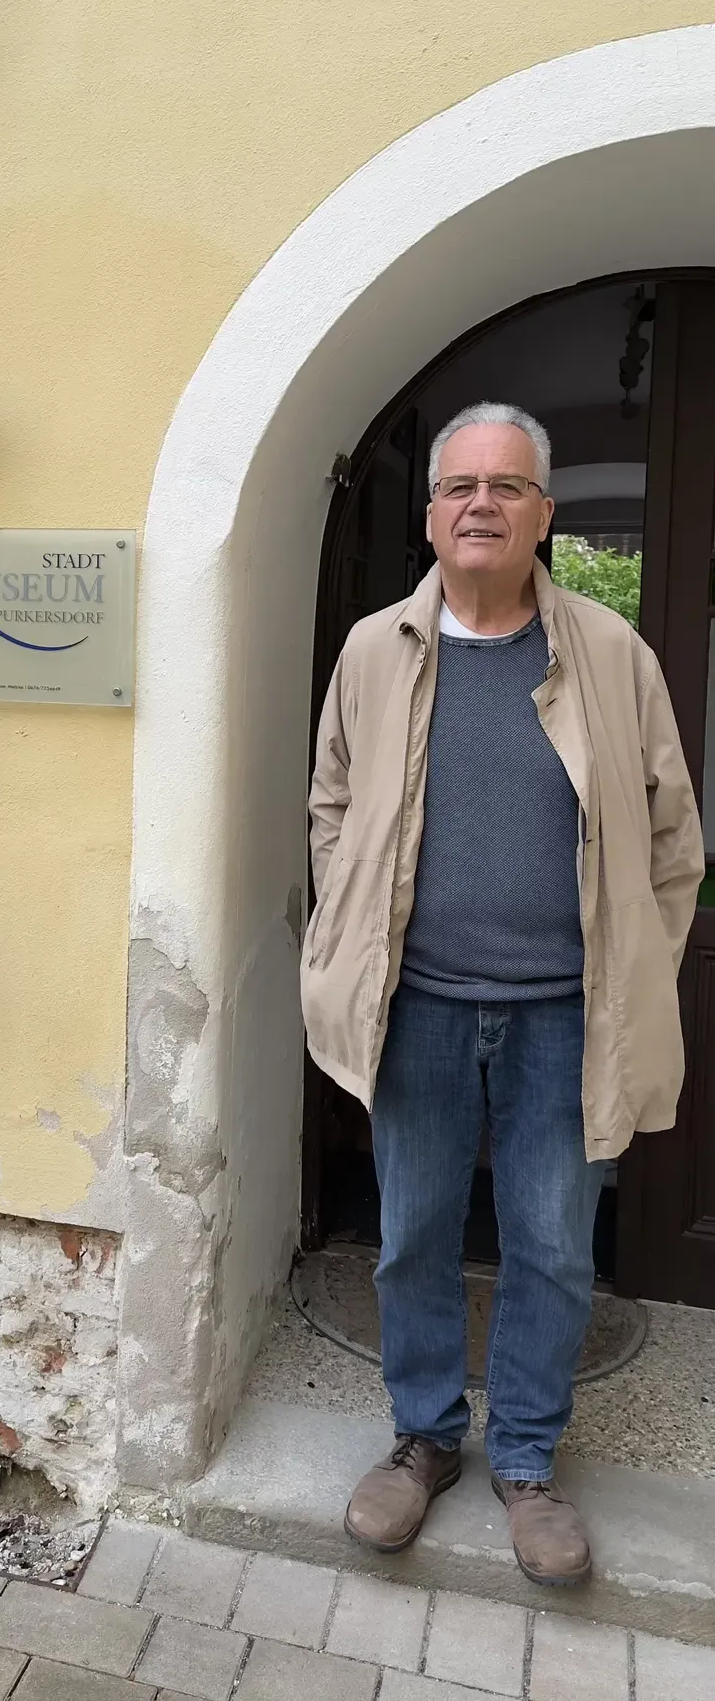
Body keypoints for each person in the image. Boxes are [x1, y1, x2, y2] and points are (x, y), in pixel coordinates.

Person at [301, 401, 703, 1588]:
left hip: (564, 1014)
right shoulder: (377, 647)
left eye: (508, 486)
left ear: (544, 514)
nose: (482, 503)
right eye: (461, 484)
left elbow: (673, 835)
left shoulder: (611, 653)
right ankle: (424, 1436)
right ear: (431, 513)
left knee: (551, 1243)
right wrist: (353, 926)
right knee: (413, 1235)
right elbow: (332, 803)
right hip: (415, 1002)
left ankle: (526, 1459)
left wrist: (630, 963)